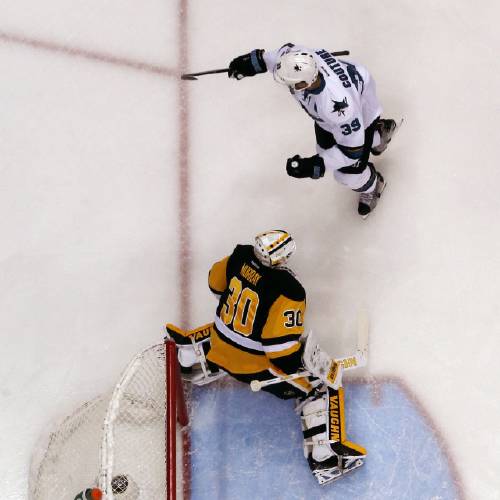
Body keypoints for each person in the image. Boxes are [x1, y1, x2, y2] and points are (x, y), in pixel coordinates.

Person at [166, 230, 366, 485]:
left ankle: (191, 360)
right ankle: (324, 457)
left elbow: (215, 283)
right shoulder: (289, 291)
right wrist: (307, 366)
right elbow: (279, 352)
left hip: (219, 343)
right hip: (252, 367)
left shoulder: (239, 255)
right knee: (319, 387)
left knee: (231, 332)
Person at [227, 43, 399, 218]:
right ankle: (379, 136)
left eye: (291, 82)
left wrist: (315, 166)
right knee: (324, 151)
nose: (286, 83)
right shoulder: (296, 58)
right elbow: (279, 60)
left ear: (304, 83)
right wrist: (253, 62)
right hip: (335, 110)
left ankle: (373, 183)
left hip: (361, 109)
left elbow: (352, 151)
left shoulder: (337, 109)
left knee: (345, 176)